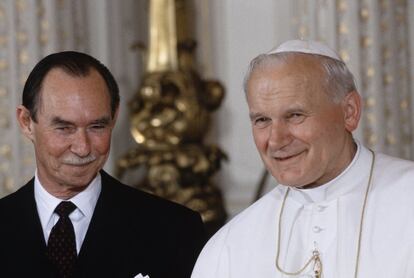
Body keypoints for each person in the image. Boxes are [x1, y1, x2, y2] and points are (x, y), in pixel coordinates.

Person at [191, 40, 414, 278]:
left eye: (295, 115)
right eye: (262, 120)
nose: (276, 139)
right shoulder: (229, 247)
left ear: (349, 111)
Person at [0, 51, 206, 278]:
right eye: (64, 128)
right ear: (26, 122)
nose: (83, 147)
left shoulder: (175, 230)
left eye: (96, 127)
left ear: (114, 117)